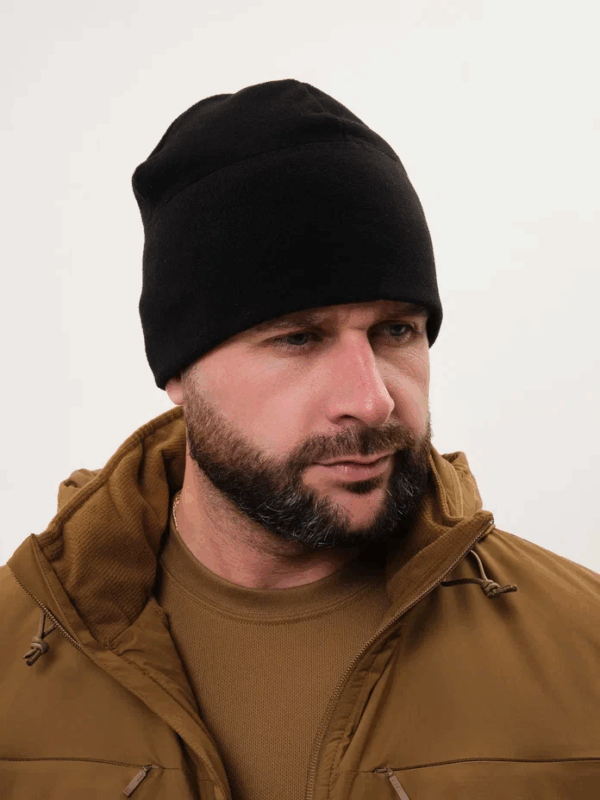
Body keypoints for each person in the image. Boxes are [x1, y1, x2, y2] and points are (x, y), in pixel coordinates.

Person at [1, 79, 599, 800]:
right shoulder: (14, 654)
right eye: (298, 338)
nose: (371, 399)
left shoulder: (584, 647)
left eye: (396, 331)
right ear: (179, 372)